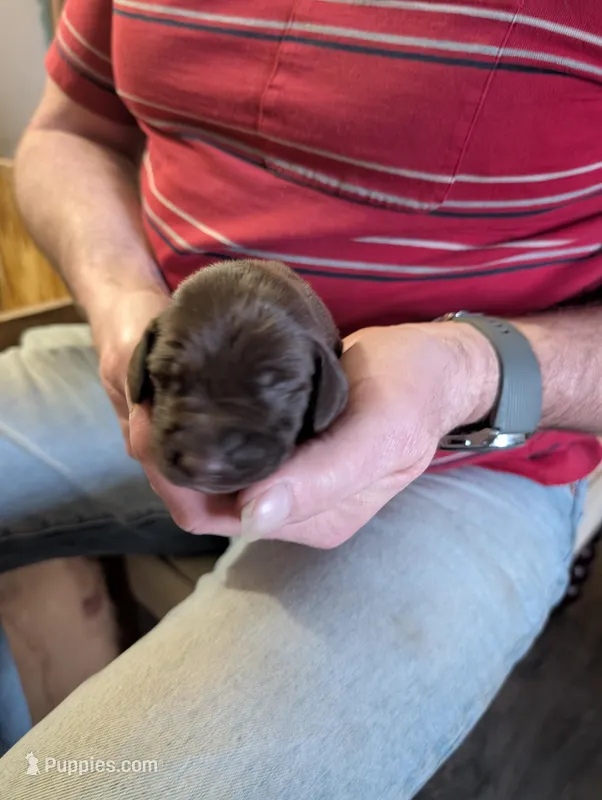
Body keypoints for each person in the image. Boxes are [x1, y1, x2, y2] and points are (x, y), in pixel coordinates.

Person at [1, 1, 601, 796]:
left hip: (474, 453)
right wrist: (124, 310)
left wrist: (470, 372)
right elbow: (67, 132)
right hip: (152, 352)